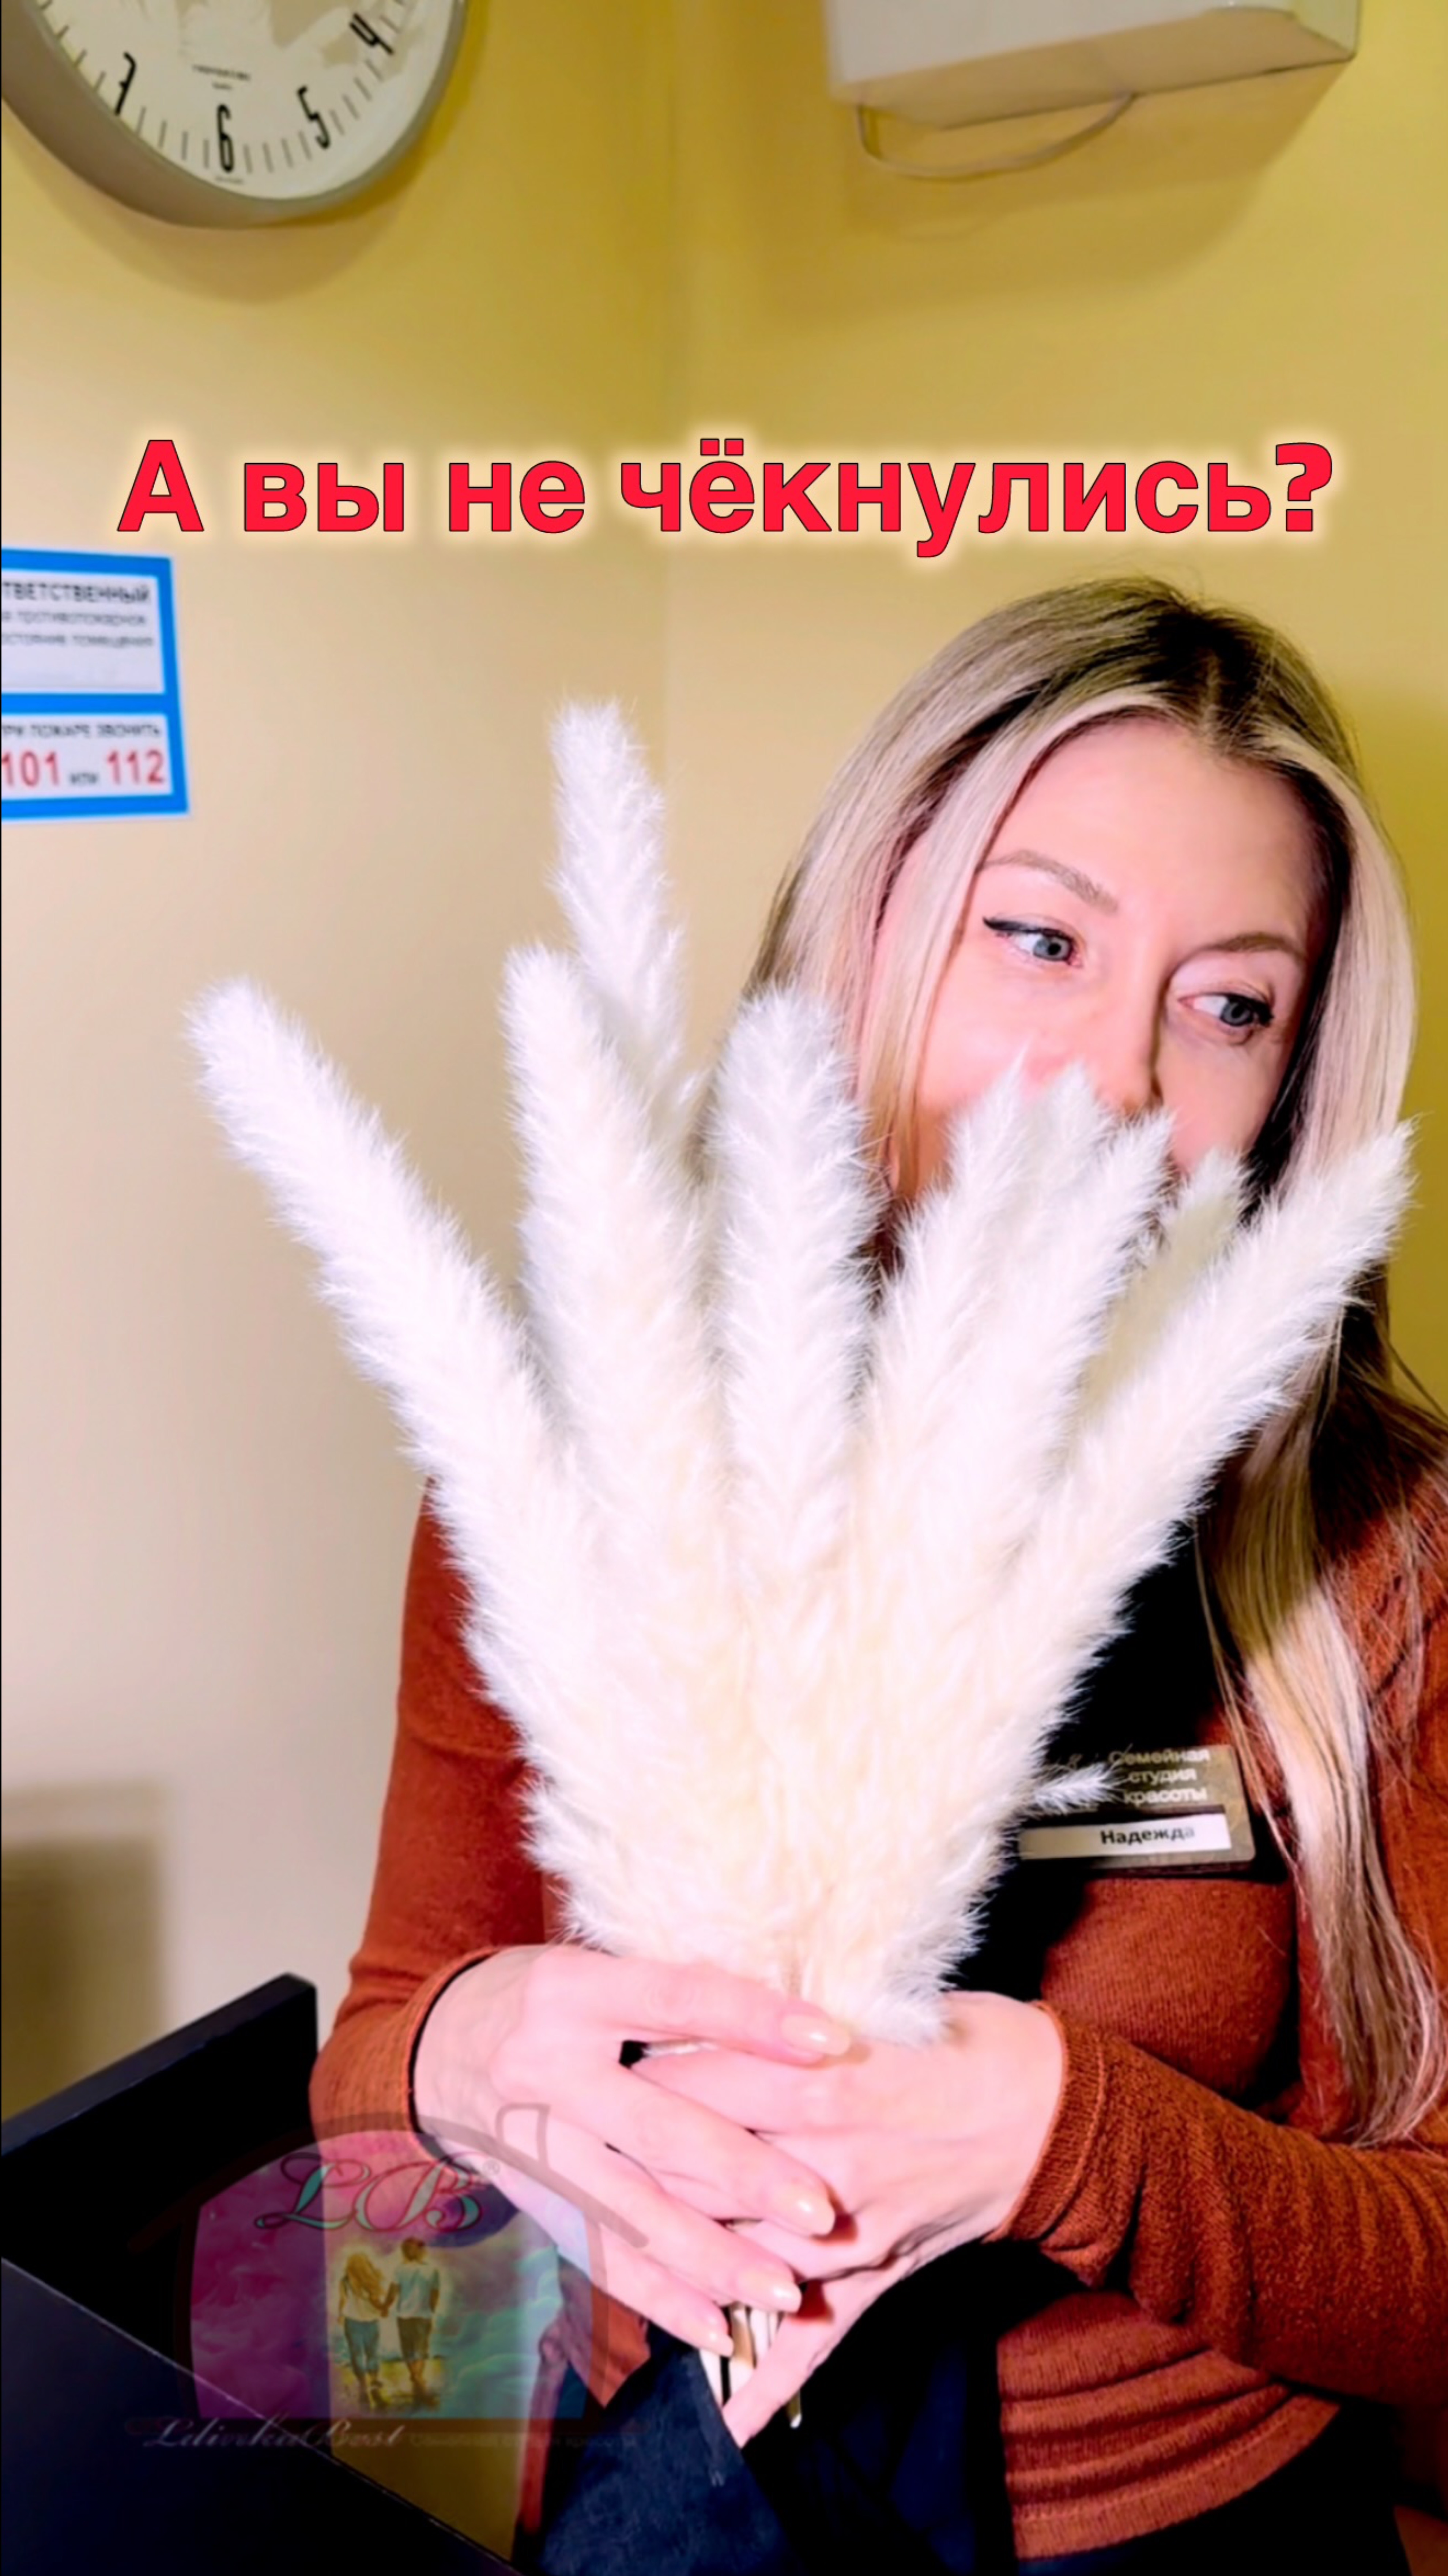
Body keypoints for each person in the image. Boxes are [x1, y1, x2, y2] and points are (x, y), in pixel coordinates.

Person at [310, 577, 1447, 2569]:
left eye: (1227, 1005)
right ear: (869, 933)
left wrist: (1065, 2135)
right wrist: (457, 2051)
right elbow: (380, 2061)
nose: (1112, 1080)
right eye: (1037, 939)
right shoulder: (589, 1470)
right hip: (679, 2490)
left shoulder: (1374, 1540)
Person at [336, 2247, 396, 2412]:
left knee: (357, 2355)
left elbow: (343, 2300)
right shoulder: (372, 2278)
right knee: (372, 2354)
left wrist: (341, 2315)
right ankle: (374, 2386)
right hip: (371, 2322)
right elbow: (377, 2302)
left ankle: (363, 2388)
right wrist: (384, 2308)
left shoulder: (345, 2281)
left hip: (353, 2322)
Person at [393, 2236, 443, 2407]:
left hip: (404, 2316)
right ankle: (420, 2386)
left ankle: (418, 2385)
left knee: (408, 2352)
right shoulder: (433, 2270)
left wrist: (385, 2307)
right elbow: (435, 2295)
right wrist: (431, 2310)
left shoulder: (400, 2270)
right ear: (422, 2251)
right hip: (423, 2316)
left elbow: (394, 2291)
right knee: (421, 2352)